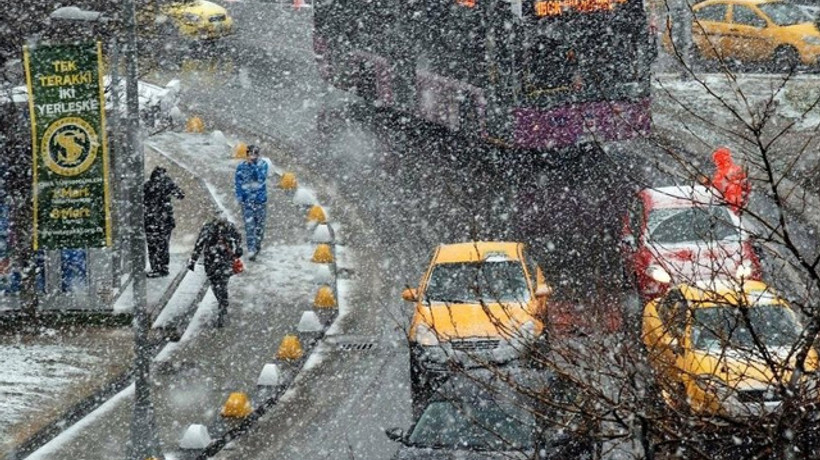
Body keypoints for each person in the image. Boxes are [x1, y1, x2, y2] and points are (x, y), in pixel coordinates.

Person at [188, 214, 243, 328]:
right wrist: (193, 260)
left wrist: (193, 259)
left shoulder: (221, 228)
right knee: (219, 283)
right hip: (216, 261)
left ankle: (222, 303)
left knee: (219, 283)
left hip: (216, 261)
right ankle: (223, 302)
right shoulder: (214, 228)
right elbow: (200, 243)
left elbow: (199, 244)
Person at [144, 166, 185, 277]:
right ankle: (163, 267)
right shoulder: (167, 184)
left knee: (153, 246)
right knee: (164, 244)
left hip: (151, 220)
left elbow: (142, 201)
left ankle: (156, 267)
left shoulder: (148, 185)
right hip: (165, 221)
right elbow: (181, 195)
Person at [234, 144, 269, 261]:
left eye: (255, 154)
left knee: (260, 227)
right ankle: (251, 250)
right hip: (247, 202)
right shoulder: (241, 167)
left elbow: (261, 178)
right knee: (249, 227)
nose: (252, 157)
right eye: (250, 154)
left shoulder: (263, 165)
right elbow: (238, 182)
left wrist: (253, 166)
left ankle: (257, 246)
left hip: (260, 201)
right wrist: (240, 196)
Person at [711, 147, 750, 213]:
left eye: (716, 159)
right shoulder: (737, 169)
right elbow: (747, 187)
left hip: (729, 205)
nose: (715, 162)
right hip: (735, 205)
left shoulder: (719, 175)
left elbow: (717, 190)